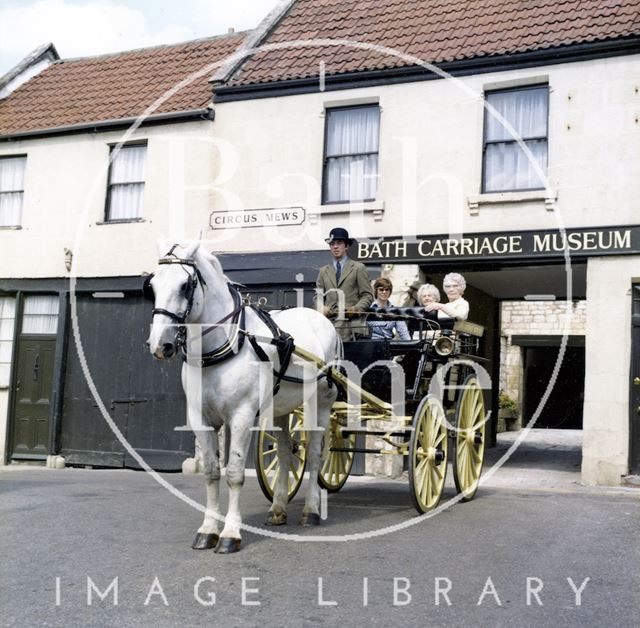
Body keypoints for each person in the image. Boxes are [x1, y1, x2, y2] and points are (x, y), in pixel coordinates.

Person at [315, 227, 374, 340]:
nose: (335, 246)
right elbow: (318, 295)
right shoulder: (323, 271)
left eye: (339, 243)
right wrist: (321, 307)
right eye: (332, 244)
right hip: (328, 328)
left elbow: (368, 295)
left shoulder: (358, 268)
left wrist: (356, 308)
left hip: (352, 328)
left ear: (346, 246)